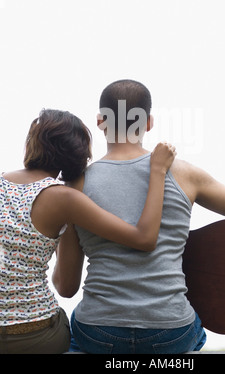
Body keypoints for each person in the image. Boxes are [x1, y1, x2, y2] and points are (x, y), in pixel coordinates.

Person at [53, 79, 225, 355]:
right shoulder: (185, 174)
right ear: (148, 123)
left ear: (100, 121)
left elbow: (67, 287)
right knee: (192, 333)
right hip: (171, 330)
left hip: (99, 330)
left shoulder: (75, 186)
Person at [0, 108, 176, 354]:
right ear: (77, 155)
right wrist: (157, 171)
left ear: (32, 143)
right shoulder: (65, 198)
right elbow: (144, 239)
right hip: (36, 334)